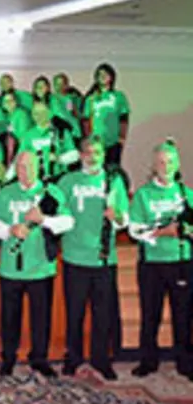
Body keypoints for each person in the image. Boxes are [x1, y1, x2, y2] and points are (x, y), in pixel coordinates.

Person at [0, 151, 74, 378]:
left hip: (40, 267)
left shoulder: (51, 193)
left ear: (39, 167)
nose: (23, 172)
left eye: (28, 166)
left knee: (41, 317)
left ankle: (39, 359)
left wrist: (43, 220)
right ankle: (8, 358)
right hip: (11, 267)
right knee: (9, 318)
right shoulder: (6, 193)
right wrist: (10, 230)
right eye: (19, 167)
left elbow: (67, 222)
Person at [57, 136, 129, 380]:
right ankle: (73, 359)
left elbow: (124, 220)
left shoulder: (113, 180)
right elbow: (57, 213)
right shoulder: (67, 181)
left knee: (103, 314)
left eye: (97, 152)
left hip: (103, 259)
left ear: (103, 155)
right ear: (81, 155)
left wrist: (117, 215)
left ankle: (101, 360)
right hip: (74, 257)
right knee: (74, 313)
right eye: (88, 152)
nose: (93, 156)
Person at [128, 140, 193, 381]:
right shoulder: (144, 195)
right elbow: (134, 229)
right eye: (162, 162)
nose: (166, 166)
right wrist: (161, 232)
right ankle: (148, 361)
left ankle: (185, 362)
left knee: (183, 315)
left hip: (182, 261)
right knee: (150, 314)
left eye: (171, 162)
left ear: (177, 165)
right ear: (154, 166)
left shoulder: (186, 193)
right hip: (152, 263)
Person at [83, 63, 130, 166]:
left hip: (113, 141)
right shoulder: (90, 99)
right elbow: (86, 120)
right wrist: (88, 138)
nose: (103, 77)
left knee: (113, 168)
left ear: (111, 77)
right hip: (96, 142)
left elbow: (124, 118)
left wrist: (121, 138)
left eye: (105, 74)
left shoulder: (118, 96)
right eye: (100, 75)